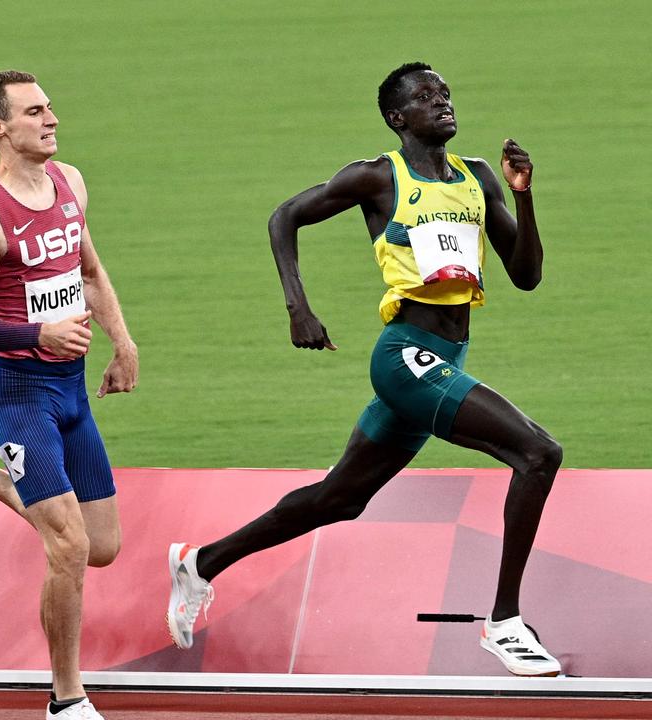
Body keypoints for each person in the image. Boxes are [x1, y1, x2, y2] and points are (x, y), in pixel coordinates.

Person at [166, 62, 562, 677]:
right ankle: (504, 621)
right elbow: (284, 217)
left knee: (340, 498)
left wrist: (523, 194)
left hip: (444, 359)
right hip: (404, 356)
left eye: (447, 93)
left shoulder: (476, 177)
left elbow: (528, 275)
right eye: (427, 97)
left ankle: (200, 564)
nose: (444, 102)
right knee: (538, 453)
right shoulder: (379, 176)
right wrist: (299, 308)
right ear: (398, 118)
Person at [0, 70, 140, 720]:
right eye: (35, 111)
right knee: (65, 546)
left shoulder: (70, 182)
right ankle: (66, 696)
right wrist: (40, 331)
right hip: (15, 391)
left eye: (50, 107)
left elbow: (89, 270)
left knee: (101, 546)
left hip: (70, 387)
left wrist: (123, 344)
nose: (52, 118)